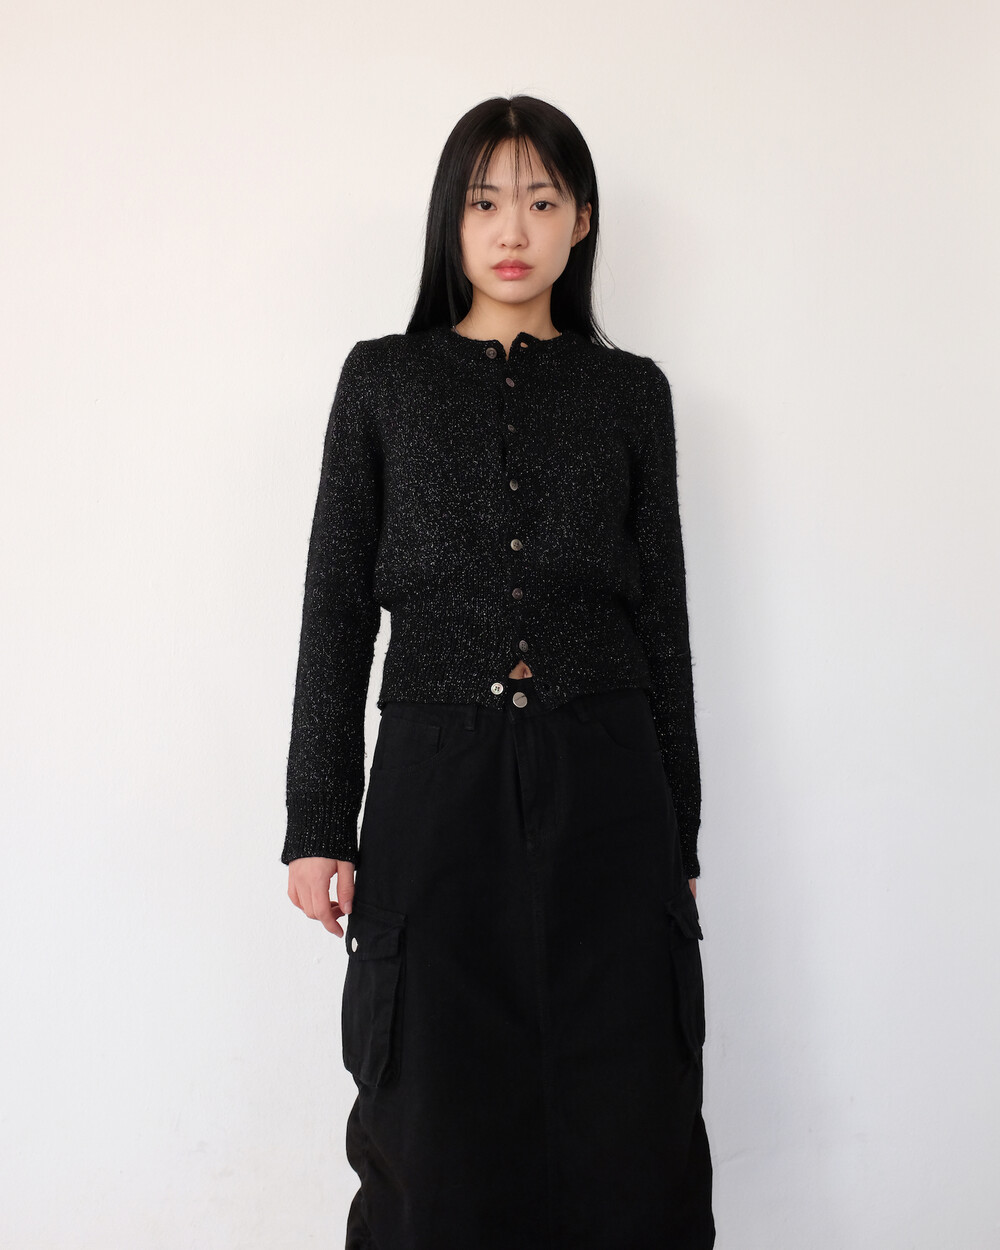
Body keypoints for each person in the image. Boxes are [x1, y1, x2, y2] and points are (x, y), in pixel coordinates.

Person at [281, 94, 715, 1250]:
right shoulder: (384, 381)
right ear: (449, 220)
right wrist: (317, 821)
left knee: (630, 1107)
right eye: (483, 202)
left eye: (539, 199)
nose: (511, 228)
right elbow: (334, 612)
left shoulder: (630, 393)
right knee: (430, 1101)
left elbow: (663, 627)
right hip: (433, 778)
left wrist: (678, 838)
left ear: (582, 219)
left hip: (607, 772)